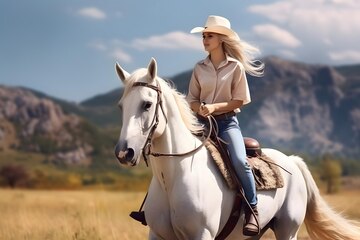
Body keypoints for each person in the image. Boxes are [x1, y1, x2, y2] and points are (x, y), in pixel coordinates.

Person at [186, 15, 264, 236]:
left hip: (227, 123)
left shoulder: (235, 67)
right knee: (173, 152)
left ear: (221, 39)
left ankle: (252, 209)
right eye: (203, 36)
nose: (204, 39)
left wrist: (214, 107)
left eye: (209, 35)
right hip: (201, 123)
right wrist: (198, 108)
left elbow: (239, 100)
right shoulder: (199, 68)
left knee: (240, 161)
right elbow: (191, 98)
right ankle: (153, 207)